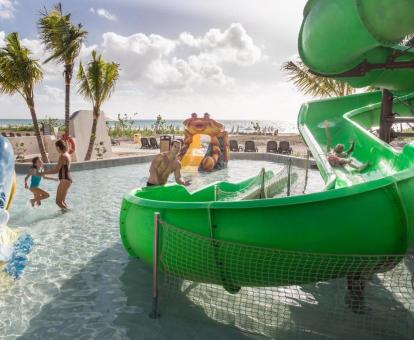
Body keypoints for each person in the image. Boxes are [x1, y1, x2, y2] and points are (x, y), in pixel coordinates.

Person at [42, 140, 72, 212]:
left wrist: (43, 173)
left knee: (58, 202)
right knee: (62, 202)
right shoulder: (67, 154)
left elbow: (56, 170)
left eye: (56, 147)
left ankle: (69, 213)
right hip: (67, 179)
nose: (56, 149)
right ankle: (65, 215)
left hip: (64, 180)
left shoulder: (62, 156)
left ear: (58, 147)